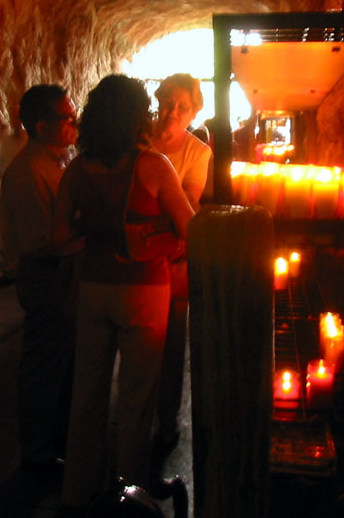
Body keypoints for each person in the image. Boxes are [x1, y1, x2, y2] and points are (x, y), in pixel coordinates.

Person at [55, 75, 194, 511]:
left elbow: (59, 234)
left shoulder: (77, 169)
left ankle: (77, 494)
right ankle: (129, 497)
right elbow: (190, 227)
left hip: (94, 287)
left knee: (87, 394)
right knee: (137, 398)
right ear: (137, 116)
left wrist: (95, 234)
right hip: (145, 288)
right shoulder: (153, 165)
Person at [0, 84, 80, 477]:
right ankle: (36, 453)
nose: (74, 123)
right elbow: (39, 243)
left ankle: (54, 443)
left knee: (61, 364)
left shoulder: (57, 161)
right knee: (44, 367)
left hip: (60, 276)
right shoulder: (30, 173)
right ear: (42, 126)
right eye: (67, 118)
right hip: (46, 278)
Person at [148, 74, 211, 462]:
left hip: (170, 256)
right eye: (168, 102)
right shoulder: (137, 136)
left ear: (195, 111)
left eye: (182, 107)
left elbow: (184, 208)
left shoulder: (197, 152)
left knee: (170, 343)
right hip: (136, 254)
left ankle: (166, 419)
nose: (172, 112)